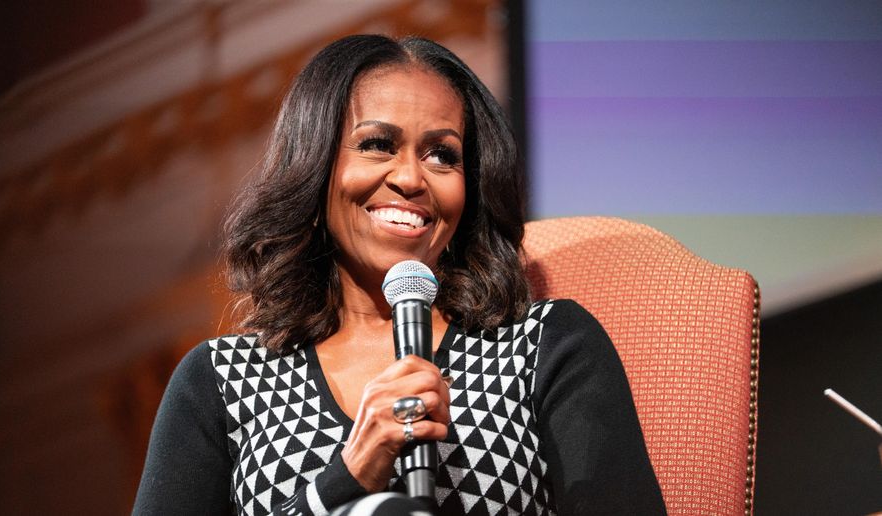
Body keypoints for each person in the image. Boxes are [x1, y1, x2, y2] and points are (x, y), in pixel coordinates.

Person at [133, 35, 666, 515]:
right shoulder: (224, 382)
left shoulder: (541, 347)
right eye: (377, 145)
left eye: (442, 155)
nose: (411, 178)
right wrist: (348, 477)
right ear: (315, 171)